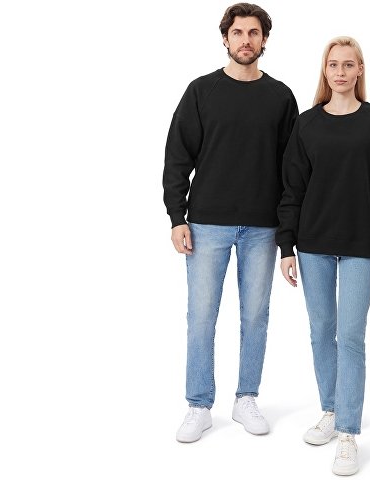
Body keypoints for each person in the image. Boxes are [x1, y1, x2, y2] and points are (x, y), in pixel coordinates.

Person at [163, 3, 298, 443]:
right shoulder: (201, 91)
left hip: (262, 226)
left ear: (264, 40)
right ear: (225, 38)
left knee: (255, 316)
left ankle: (246, 398)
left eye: (253, 33)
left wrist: (288, 232)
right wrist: (177, 217)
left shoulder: (281, 97)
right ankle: (199, 405)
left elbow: (292, 170)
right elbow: (177, 157)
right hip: (206, 224)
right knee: (201, 317)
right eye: (238, 32)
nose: (245, 40)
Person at [276, 36, 370, 475]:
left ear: (360, 70)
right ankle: (330, 410)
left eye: (349, 64)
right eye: (333, 65)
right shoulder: (307, 124)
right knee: (321, 332)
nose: (341, 72)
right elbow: (292, 189)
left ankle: (348, 433)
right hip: (312, 243)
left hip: (361, 245)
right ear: (325, 71)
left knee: (350, 336)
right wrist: (286, 246)